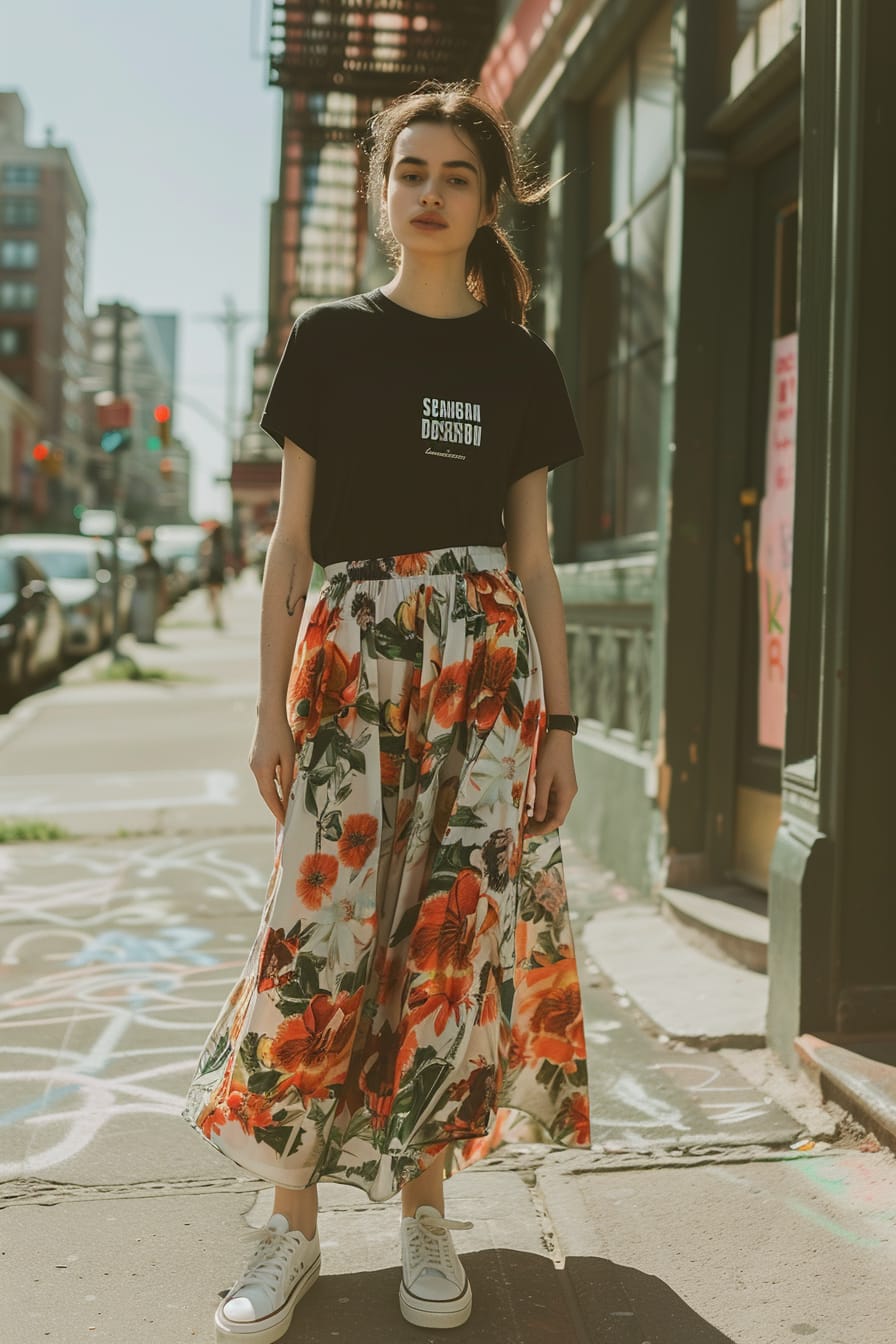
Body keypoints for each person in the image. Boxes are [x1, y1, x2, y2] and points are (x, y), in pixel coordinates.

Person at [181, 80, 592, 1342]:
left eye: (454, 175)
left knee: (448, 945)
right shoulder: (329, 339)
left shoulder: (518, 361)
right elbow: (289, 542)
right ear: (381, 193)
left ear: (488, 199)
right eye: (408, 171)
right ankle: (289, 1226)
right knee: (318, 937)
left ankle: (425, 1212)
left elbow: (531, 559)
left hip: (482, 683)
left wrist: (560, 725)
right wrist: (268, 711)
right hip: (349, 675)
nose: (428, 193)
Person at [129, 529, 165, 644]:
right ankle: (141, 635)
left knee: (149, 615)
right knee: (141, 615)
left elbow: (160, 579)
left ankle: (148, 635)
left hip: (150, 593)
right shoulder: (138, 561)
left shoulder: (154, 563)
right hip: (141, 593)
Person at [200, 520, 227, 628]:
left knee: (212, 597)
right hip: (218, 572)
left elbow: (206, 559)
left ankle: (216, 617)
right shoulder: (221, 543)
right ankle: (217, 616)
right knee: (216, 596)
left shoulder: (210, 543)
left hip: (211, 572)